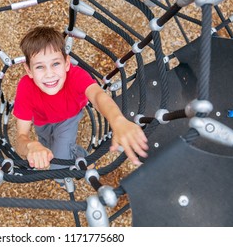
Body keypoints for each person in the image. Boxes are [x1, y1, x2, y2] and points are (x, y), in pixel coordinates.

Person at [13, 26, 148, 171]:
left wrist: (117, 120)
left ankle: (79, 158)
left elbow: (97, 95)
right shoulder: (25, 87)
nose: (49, 74)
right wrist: (30, 146)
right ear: (29, 70)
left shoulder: (76, 76)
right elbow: (21, 136)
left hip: (68, 120)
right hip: (42, 122)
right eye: (40, 67)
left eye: (56, 64)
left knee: (57, 166)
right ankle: (75, 154)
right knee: (47, 147)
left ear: (66, 63)